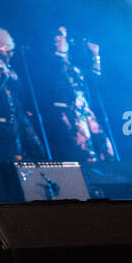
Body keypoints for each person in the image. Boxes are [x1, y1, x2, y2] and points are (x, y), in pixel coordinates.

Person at [40, 26, 114, 163]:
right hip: (69, 111)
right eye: (58, 39)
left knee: (105, 147)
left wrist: (95, 56)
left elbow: (95, 77)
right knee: (86, 151)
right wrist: (60, 52)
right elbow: (55, 75)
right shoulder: (50, 64)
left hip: (85, 111)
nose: (63, 40)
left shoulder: (75, 66)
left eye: (64, 37)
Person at [0, 27, 45, 162]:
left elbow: (20, 90)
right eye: (3, 46)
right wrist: (4, 77)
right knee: (14, 152)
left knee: (35, 145)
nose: (7, 49)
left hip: (18, 113)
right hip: (2, 116)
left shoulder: (9, 67)